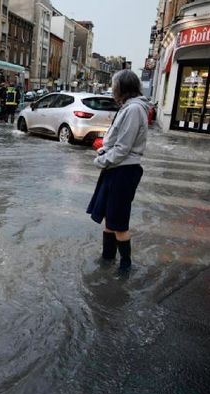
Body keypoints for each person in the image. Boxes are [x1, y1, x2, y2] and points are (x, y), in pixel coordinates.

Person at [86, 69, 149, 269]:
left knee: (118, 221)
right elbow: (115, 141)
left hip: (123, 171)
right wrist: (104, 150)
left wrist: (101, 161)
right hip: (116, 168)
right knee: (109, 215)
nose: (112, 89)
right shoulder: (127, 107)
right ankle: (107, 260)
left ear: (123, 87)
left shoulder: (133, 110)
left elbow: (123, 148)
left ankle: (125, 267)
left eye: (115, 85)